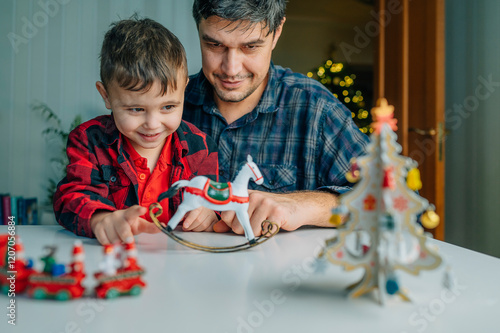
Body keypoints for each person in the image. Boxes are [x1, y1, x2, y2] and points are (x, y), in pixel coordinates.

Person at [183, 0, 369, 237]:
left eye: (250, 46)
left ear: (277, 32)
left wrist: (303, 206)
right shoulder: (162, 107)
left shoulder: (315, 109)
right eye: (214, 45)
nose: (231, 69)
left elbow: (396, 203)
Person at [54, 17, 219, 245]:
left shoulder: (201, 147)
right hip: (115, 262)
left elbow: (214, 199)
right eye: (136, 109)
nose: (152, 123)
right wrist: (101, 218)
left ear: (184, 91)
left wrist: (210, 214)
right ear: (106, 96)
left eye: (168, 107)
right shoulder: (89, 140)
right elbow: (71, 197)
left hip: (179, 266)